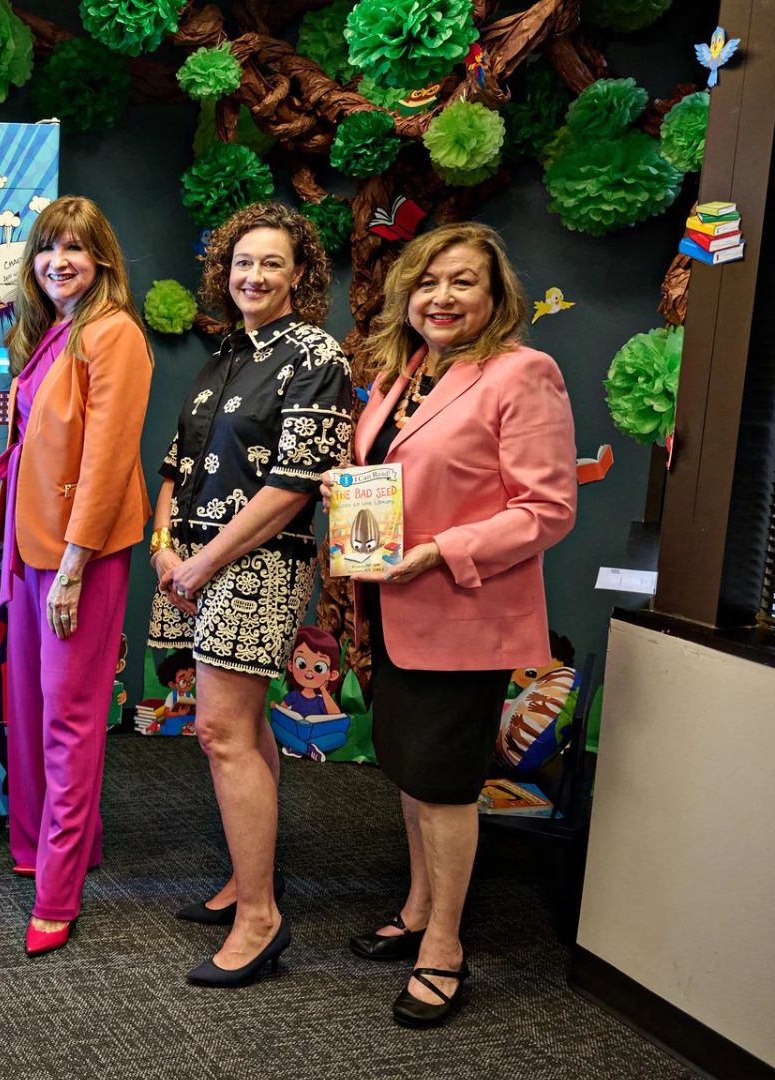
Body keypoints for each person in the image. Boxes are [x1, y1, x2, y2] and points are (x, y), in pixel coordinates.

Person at [336, 222, 575, 1028]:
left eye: (463, 282)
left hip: (462, 615)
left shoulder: (522, 372)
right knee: (410, 771)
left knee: (442, 787)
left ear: (495, 296)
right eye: (429, 280)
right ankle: (413, 908)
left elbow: (547, 509)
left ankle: (444, 948)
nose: (441, 297)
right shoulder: (404, 374)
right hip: (391, 610)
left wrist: (441, 549)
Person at [147, 201, 351, 986]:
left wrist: (202, 565)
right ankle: (246, 880)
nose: (253, 276)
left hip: (258, 563)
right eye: (241, 263)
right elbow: (175, 462)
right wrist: (167, 548)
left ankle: (261, 919)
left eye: (271, 263)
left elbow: (294, 487)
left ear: (300, 273)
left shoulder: (315, 354)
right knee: (242, 727)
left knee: (219, 735)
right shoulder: (226, 352)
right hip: (192, 559)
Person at [0, 194, 154, 956]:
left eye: (76, 249)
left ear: (103, 261)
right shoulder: (57, 329)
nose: (60, 260)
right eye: (49, 247)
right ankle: (46, 848)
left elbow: (109, 460)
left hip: (75, 560)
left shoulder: (113, 333)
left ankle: (59, 895)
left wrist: (77, 567)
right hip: (31, 552)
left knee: (69, 719)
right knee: (28, 708)